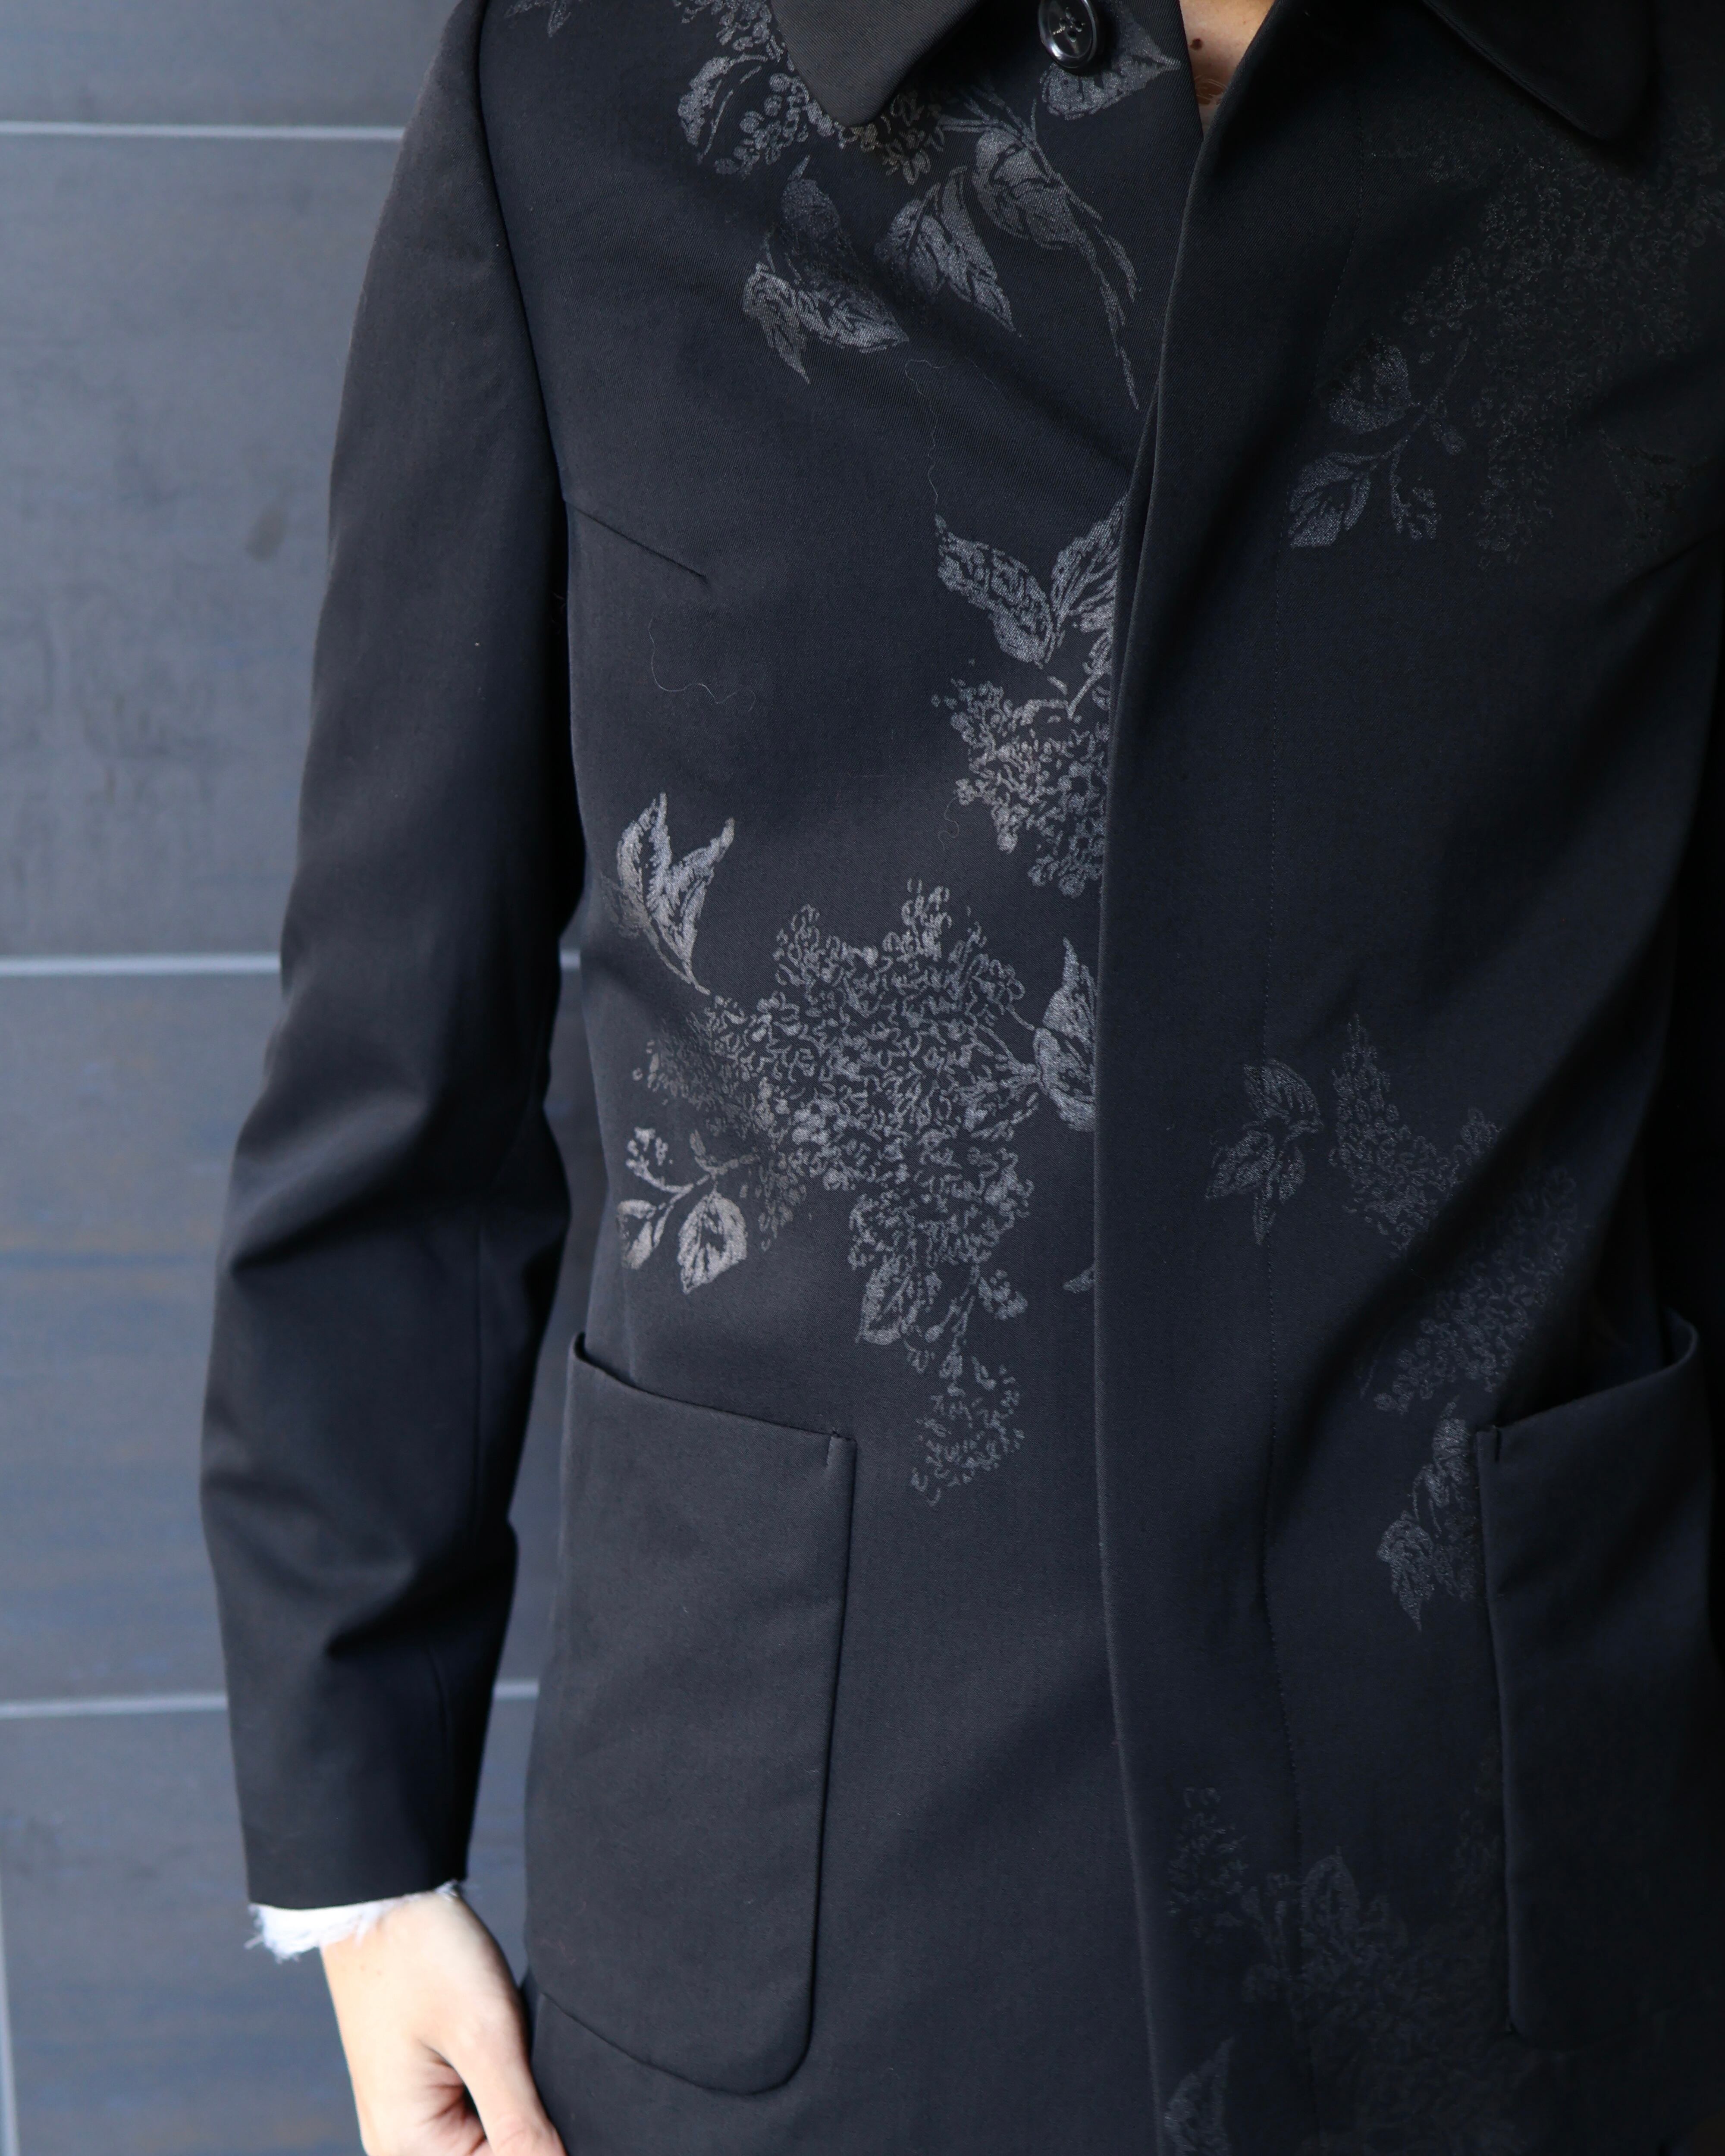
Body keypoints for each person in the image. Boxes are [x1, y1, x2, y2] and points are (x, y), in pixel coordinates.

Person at [200, 0, 1725, 2147]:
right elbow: (397, 1038)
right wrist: (363, 1866)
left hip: (1497, 1872)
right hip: (814, 1893)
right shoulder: (582, 82)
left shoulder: (1672, 121)